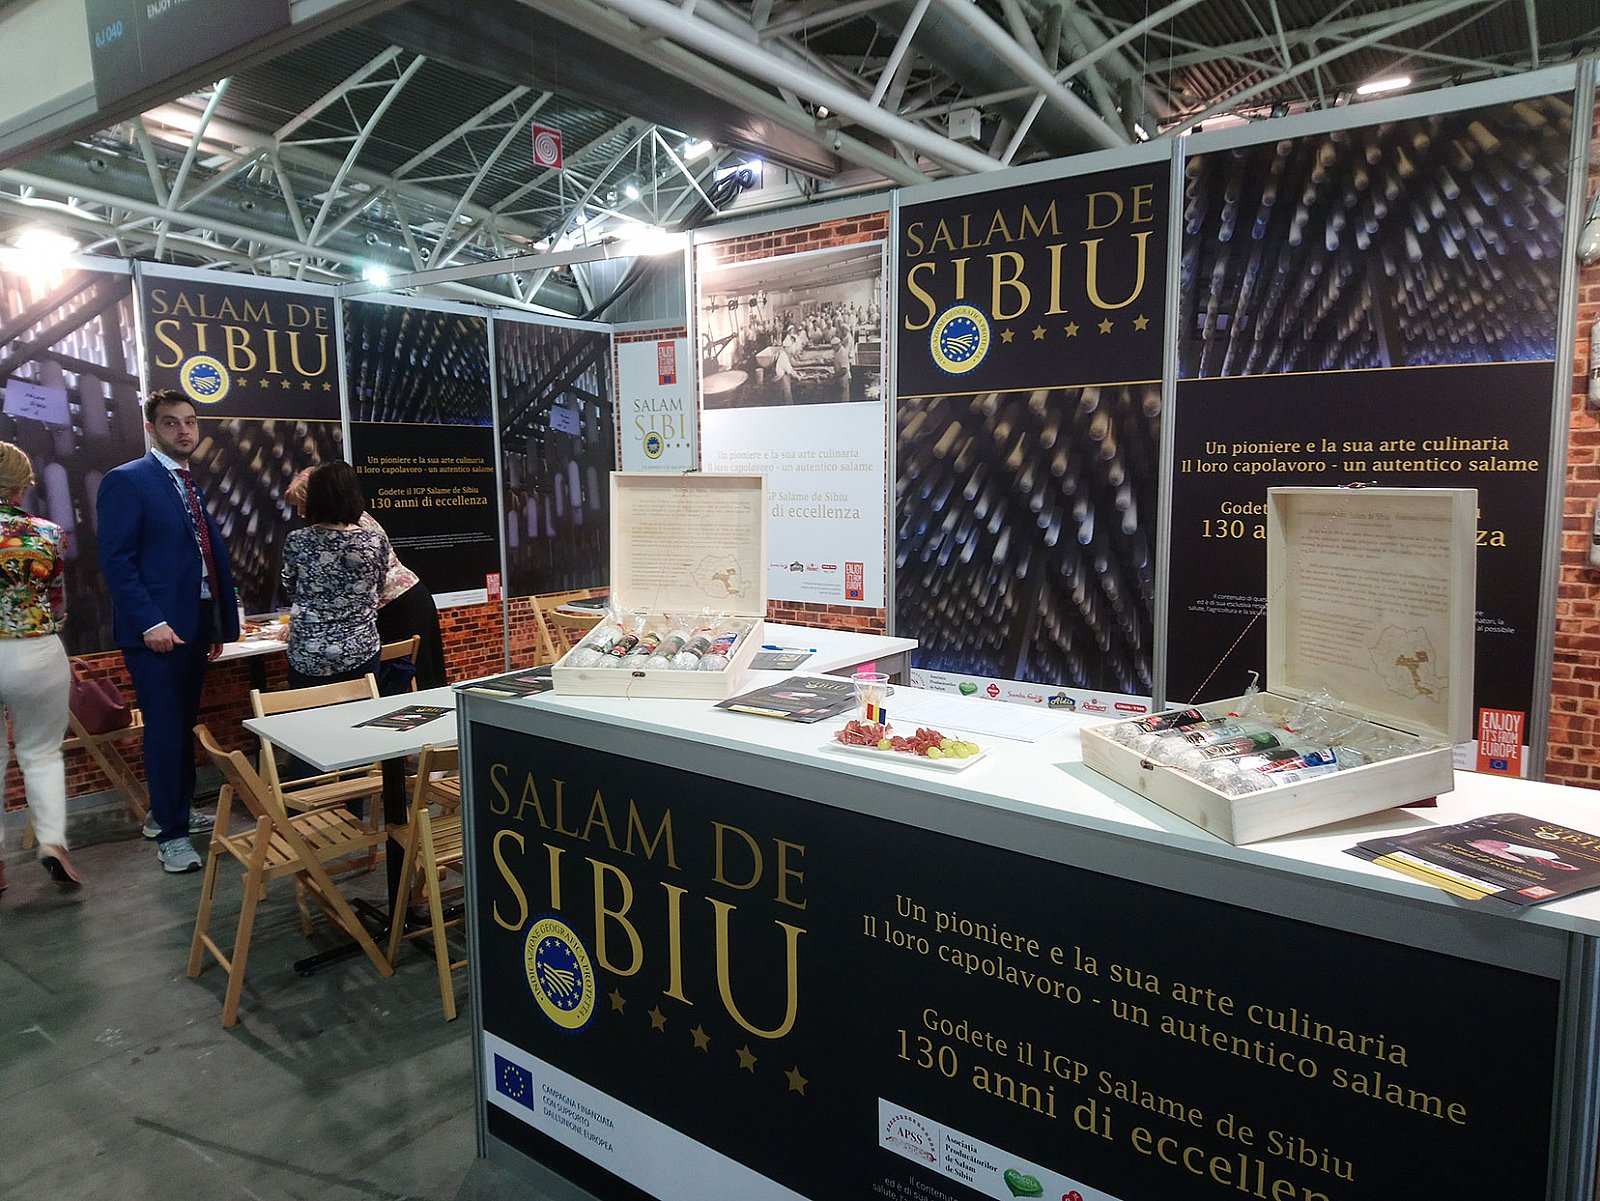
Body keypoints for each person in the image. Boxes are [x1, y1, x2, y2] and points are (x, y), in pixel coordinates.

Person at [97, 389, 240, 874]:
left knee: (181, 726)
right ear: (151, 428)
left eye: (190, 421)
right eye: (171, 422)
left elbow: (198, 559)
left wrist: (213, 621)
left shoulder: (187, 482)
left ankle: (170, 814)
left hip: (194, 623)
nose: (183, 430)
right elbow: (117, 562)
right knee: (164, 730)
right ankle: (172, 837)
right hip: (155, 630)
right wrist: (150, 621)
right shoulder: (128, 480)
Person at [285, 466, 446, 689]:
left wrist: (304, 620)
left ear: (318, 498)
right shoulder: (351, 527)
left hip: (400, 605)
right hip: (395, 604)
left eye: (302, 504)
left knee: (407, 680)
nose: (300, 512)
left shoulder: (336, 533)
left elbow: (308, 588)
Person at [0, 443, 78, 895]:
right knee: (42, 754)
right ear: (23, 486)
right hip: (36, 650)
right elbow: (58, 601)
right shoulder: (48, 533)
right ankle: (51, 842)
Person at [280, 461, 388, 691]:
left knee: (310, 714)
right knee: (363, 713)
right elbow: (378, 588)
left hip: (309, 654)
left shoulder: (297, 540)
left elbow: (291, 588)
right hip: (360, 650)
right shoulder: (375, 541)